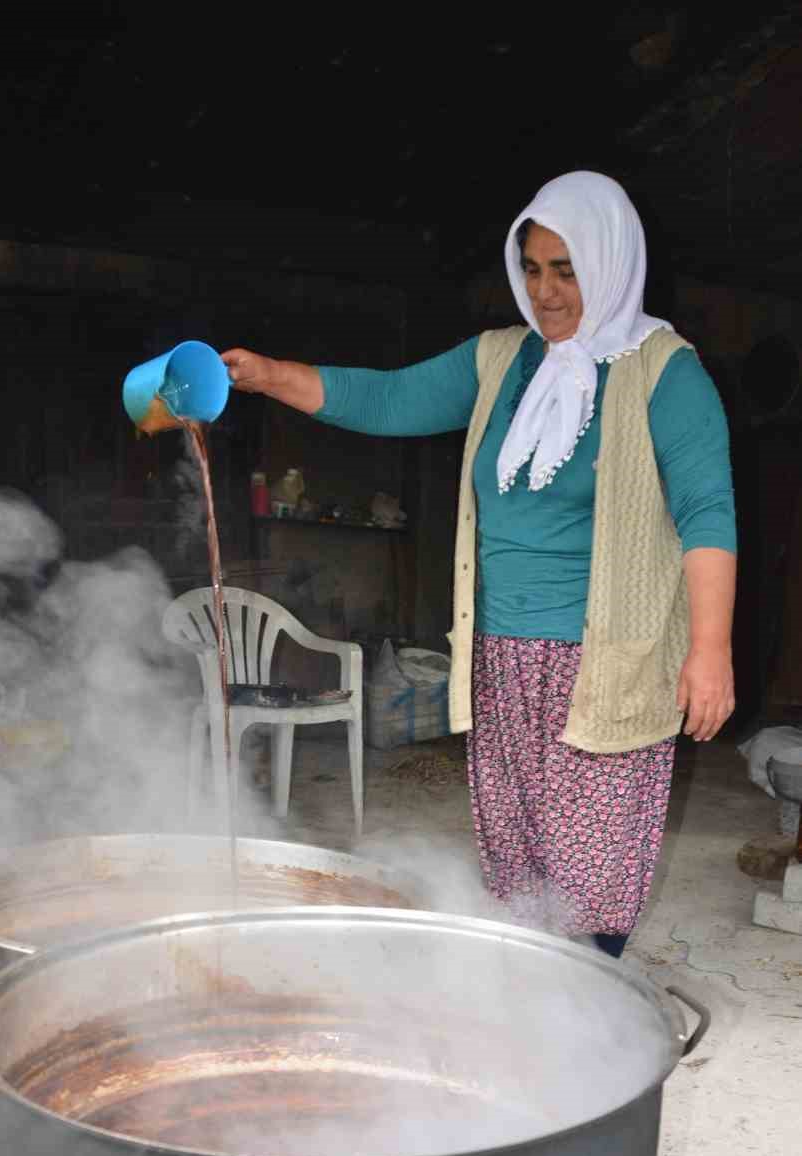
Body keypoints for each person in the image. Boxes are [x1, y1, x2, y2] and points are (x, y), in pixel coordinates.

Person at [221, 171, 737, 957]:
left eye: (566, 270)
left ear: (610, 262)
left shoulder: (663, 372)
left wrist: (709, 650)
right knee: (516, 850)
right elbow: (389, 400)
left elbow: (707, 513)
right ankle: (529, 999)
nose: (546, 292)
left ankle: (589, 1010)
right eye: (531, 269)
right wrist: (263, 376)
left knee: (588, 866)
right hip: (501, 652)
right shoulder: (501, 361)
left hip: (605, 659)